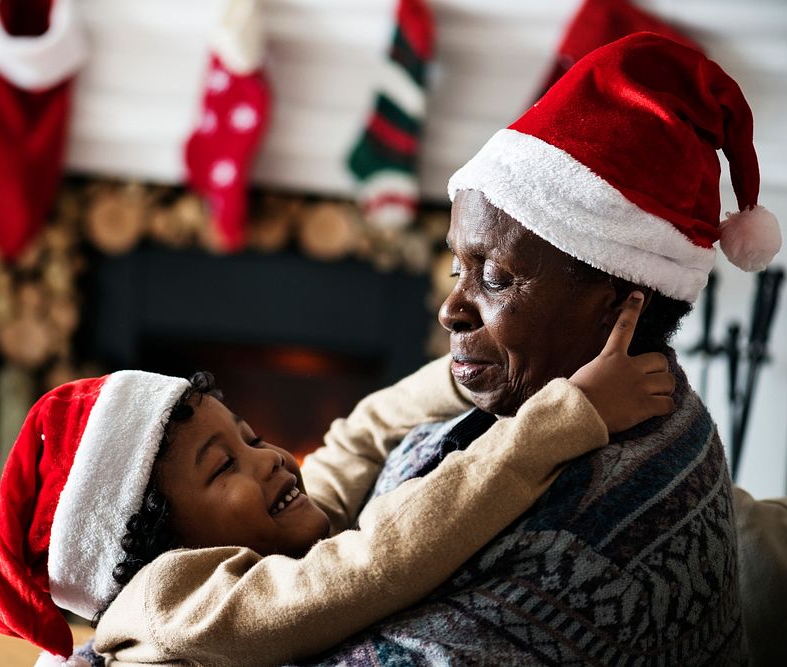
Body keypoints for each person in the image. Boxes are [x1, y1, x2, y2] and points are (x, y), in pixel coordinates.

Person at [283, 32, 780, 666]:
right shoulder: (560, 387)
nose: (450, 309)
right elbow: (364, 439)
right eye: (456, 265)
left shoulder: (584, 551)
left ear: (619, 299)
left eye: (493, 276)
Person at [0, 295, 671, 666]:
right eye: (224, 466)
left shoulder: (260, 543)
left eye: (247, 435)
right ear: (158, 546)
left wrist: (482, 370)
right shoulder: (168, 601)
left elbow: (358, 437)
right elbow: (373, 564)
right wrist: (561, 418)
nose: (268, 455)